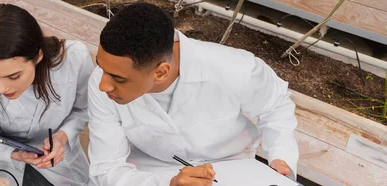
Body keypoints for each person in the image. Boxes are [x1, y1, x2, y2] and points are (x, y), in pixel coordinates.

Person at [87, 3, 299, 186]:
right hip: (149, 174)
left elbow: (276, 106)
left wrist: (282, 157)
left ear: (161, 73)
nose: (103, 85)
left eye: (119, 79)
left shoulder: (235, 69)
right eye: (100, 66)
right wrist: (168, 183)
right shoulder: (100, 83)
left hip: (233, 169)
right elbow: (106, 168)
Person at [0, 4, 94, 185]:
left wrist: (62, 136)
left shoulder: (73, 60)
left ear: (38, 56)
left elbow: (84, 108)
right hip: (2, 166)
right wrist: (12, 153)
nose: (2, 89)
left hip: (62, 165)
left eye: (14, 76)